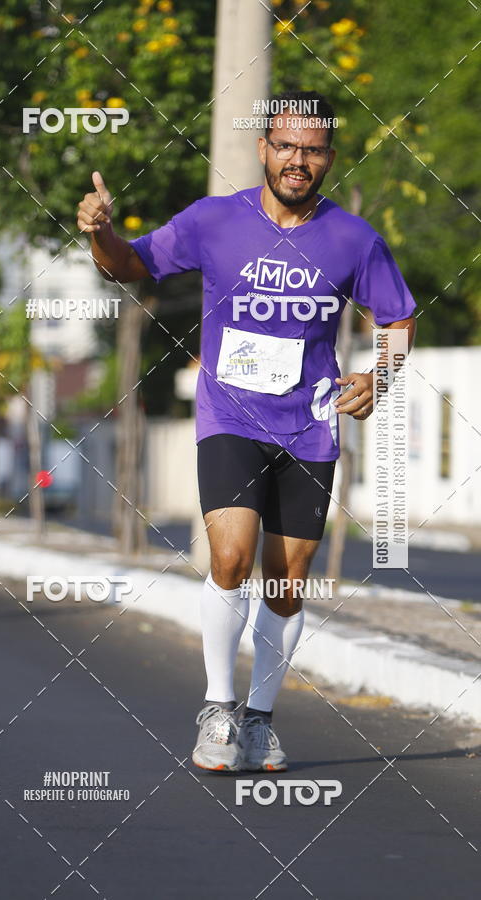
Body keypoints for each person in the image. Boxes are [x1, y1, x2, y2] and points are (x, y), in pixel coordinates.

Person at [77, 89, 416, 772]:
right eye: (285, 146)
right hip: (230, 415)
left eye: (311, 150)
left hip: (309, 426)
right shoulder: (214, 221)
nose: (297, 160)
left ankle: (259, 719)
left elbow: (399, 318)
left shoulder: (353, 239)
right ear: (263, 148)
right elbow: (129, 264)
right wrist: (99, 233)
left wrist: (380, 377)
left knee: (286, 582)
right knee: (230, 556)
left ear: (329, 158)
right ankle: (218, 709)